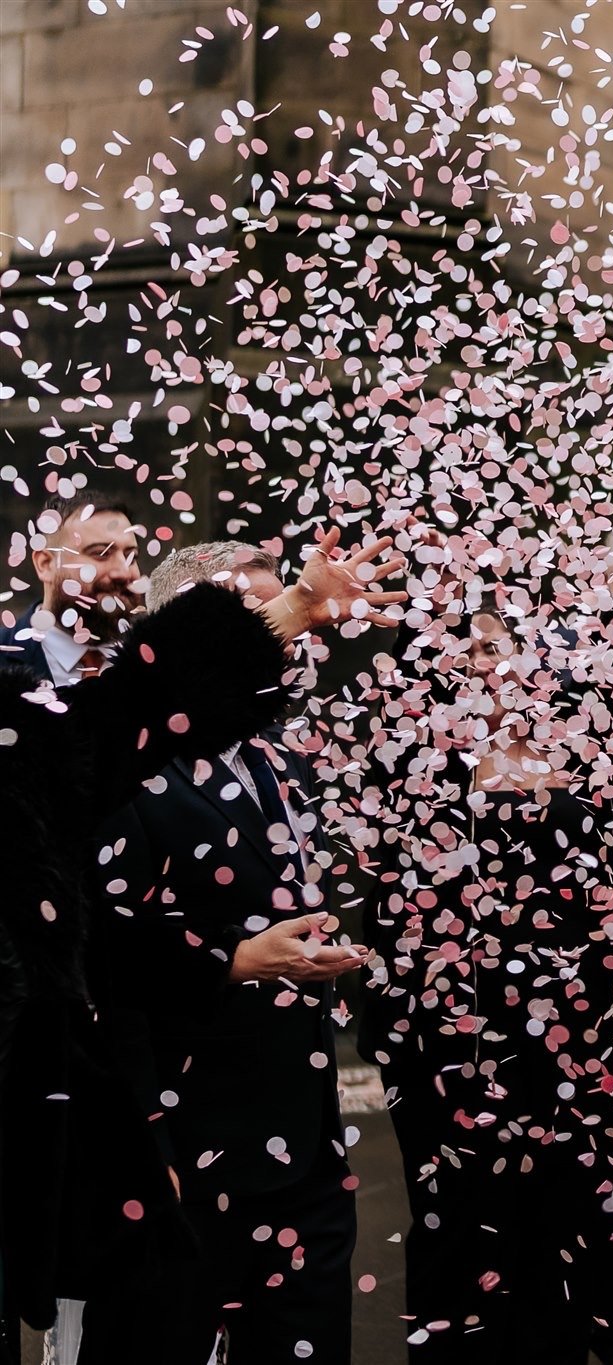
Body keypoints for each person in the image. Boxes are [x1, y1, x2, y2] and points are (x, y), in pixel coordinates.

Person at [0, 527, 403, 1365]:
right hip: (168, 1113)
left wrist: (291, 609)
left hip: (290, 1106)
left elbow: (112, 725)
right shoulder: (104, 765)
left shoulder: (273, 758)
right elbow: (104, 948)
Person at [361, 610, 613, 1365]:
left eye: (499, 643)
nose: (487, 662)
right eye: (465, 648)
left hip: (585, 1029)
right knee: (459, 1222)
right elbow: (381, 904)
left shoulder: (583, 744)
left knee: (566, 1226)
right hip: (453, 1038)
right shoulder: (406, 758)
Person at [86, 543, 365, 1365]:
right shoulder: (123, 773)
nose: (272, 641)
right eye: (247, 623)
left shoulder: (285, 760)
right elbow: (100, 956)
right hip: (181, 1134)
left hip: (301, 1132)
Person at [1, 488, 148, 682]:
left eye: (131, 556)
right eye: (101, 553)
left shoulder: (163, 663)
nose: (123, 572)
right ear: (46, 564)